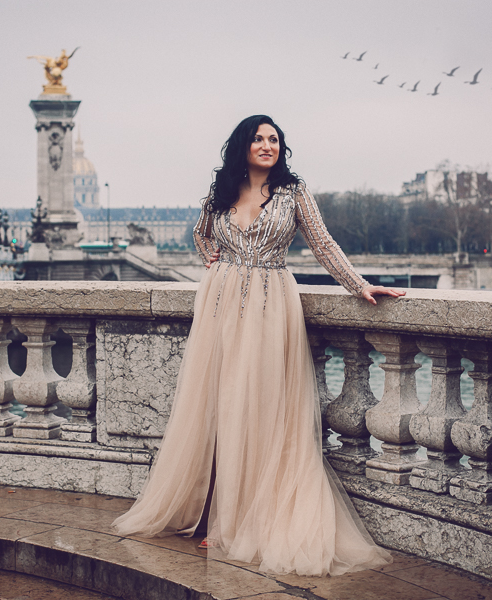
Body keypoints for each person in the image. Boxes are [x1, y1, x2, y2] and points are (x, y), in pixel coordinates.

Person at [112, 115, 405, 576]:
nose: (267, 145)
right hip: (221, 304)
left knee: (264, 409)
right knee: (217, 406)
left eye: (274, 139)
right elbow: (201, 233)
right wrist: (210, 258)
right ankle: (213, 512)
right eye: (258, 138)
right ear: (242, 146)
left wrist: (360, 286)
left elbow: (323, 244)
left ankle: (248, 515)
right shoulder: (222, 191)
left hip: (273, 305)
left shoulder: (293, 192)